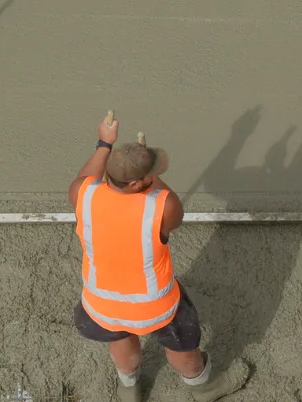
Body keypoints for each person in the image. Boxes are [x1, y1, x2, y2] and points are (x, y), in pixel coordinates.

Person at [71, 113, 250, 402]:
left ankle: (129, 388)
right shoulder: (163, 207)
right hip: (154, 306)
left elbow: (85, 177)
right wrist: (150, 175)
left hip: (101, 303)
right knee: (182, 345)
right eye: (150, 175)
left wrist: (105, 142)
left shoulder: (83, 193)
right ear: (136, 184)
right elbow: (170, 206)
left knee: (119, 337)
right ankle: (202, 387)